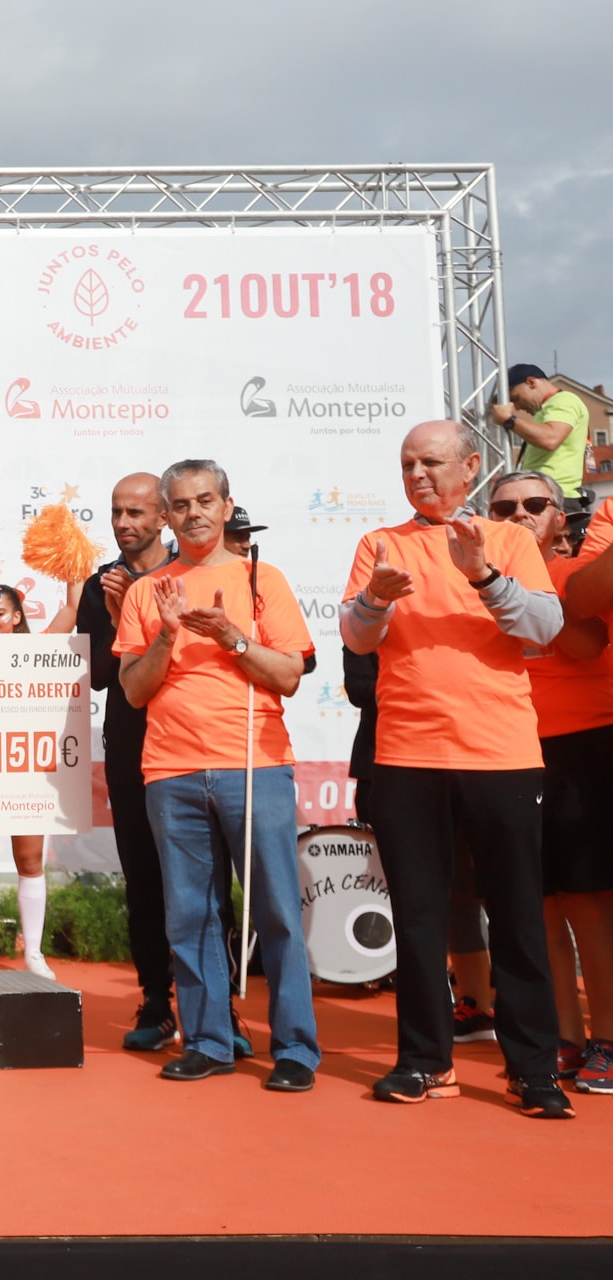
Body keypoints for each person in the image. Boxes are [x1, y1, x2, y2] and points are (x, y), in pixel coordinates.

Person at [340, 420, 571, 1117]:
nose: (418, 474)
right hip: (406, 754)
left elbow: (544, 629)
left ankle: (534, 1069)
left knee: (517, 914)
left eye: (432, 463)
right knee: (419, 918)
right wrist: (376, 599)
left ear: (470, 467)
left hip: (501, 752)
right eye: (408, 463)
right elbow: (356, 637)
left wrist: (484, 577)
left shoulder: (506, 540)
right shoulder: (381, 544)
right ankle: (423, 1062)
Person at [116, 458, 320, 1090]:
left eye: (205, 501)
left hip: (254, 765)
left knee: (277, 911)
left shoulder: (262, 578)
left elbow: (289, 675)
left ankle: (295, 1048)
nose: (194, 513)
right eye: (180, 504)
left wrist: (232, 637)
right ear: (166, 516)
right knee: (189, 915)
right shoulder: (148, 591)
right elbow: (133, 691)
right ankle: (207, 1039)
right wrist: (166, 637)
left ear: (227, 507)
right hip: (171, 770)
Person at [490, 469, 613, 1093]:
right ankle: (564, 1034)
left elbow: (589, 644)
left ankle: (608, 1038)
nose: (520, 515)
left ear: (559, 519)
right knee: (535, 905)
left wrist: (529, 599)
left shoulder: (572, 576)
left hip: (583, 747)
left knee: (587, 901)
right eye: (504, 507)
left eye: (534, 504)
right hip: (508, 752)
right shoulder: (480, 585)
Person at [76, 473, 189, 1050]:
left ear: (164, 517)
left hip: (191, 746)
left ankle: (214, 1009)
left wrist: (138, 614)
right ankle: (156, 1000)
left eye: (136, 513)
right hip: (129, 750)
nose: (123, 523)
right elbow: (97, 676)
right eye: (117, 512)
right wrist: (120, 617)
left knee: (201, 884)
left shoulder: (190, 575)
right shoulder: (100, 585)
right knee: (144, 882)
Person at [0, 585, 71, 979]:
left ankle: (34, 953)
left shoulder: (35, 651)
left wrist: (72, 560)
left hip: (26, 770)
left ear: (18, 618)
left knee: (30, 861)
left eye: (0, 613)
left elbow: (72, 609)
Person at [491, 364, 591, 512]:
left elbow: (550, 439)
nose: (517, 407)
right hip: (545, 496)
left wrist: (509, 420)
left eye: (516, 398)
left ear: (531, 382)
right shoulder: (548, 409)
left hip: (555, 497)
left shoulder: (563, 400)